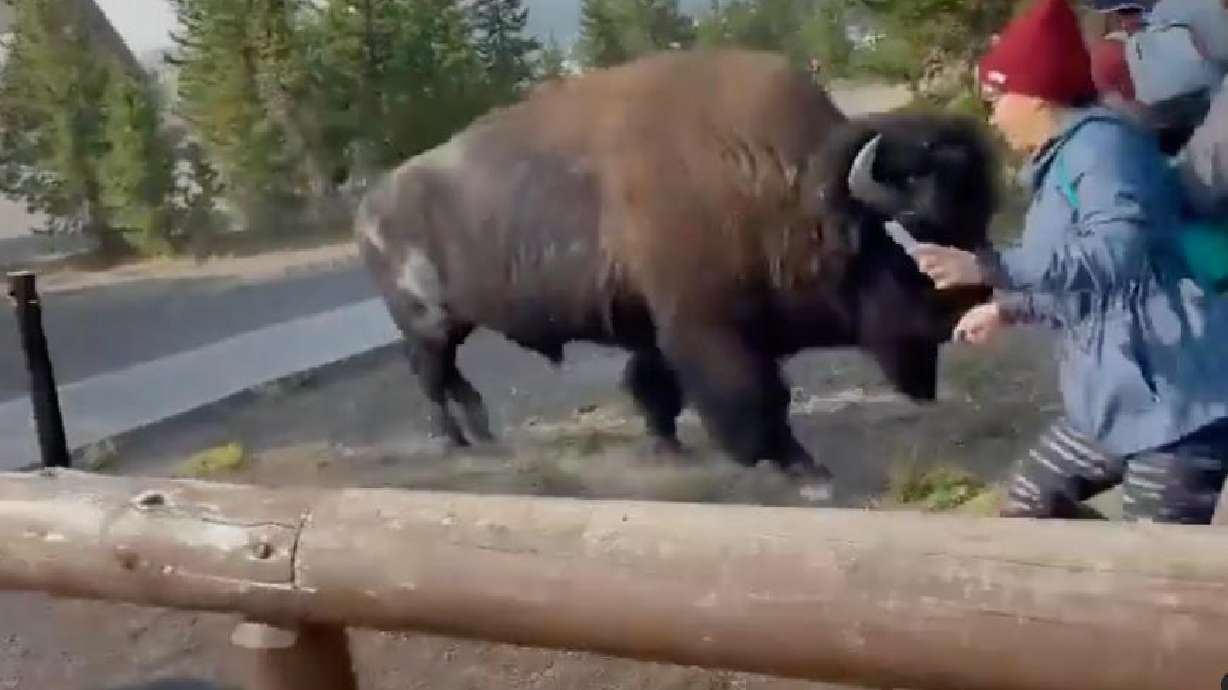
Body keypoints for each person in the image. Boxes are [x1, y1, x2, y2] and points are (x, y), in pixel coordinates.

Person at [908, 0, 1228, 524]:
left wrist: (992, 269)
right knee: (1026, 507)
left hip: (1177, 404)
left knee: (1153, 573)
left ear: (1036, 97)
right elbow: (1076, 268)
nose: (992, 117)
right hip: (1114, 399)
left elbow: (1114, 254)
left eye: (996, 100)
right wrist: (1008, 309)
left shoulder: (1103, 150)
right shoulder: (1065, 160)